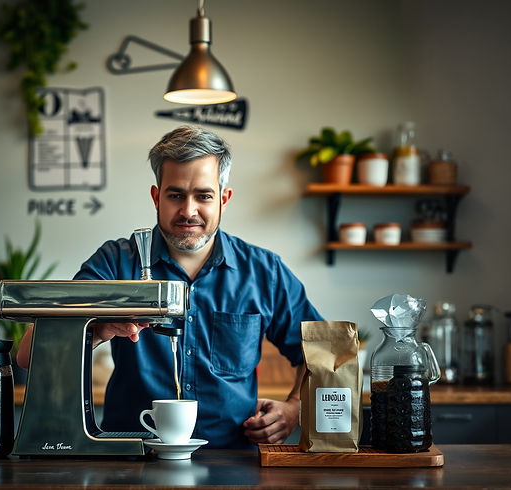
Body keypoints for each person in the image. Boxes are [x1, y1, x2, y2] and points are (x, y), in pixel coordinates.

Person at [18, 125, 324, 449]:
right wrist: (100, 327)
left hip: (233, 466)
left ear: (224, 198)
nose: (188, 210)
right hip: (129, 461)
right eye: (176, 194)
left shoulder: (264, 272)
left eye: (203, 196)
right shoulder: (115, 263)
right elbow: (28, 355)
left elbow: (322, 352)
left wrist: (294, 408)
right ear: (156, 197)